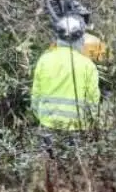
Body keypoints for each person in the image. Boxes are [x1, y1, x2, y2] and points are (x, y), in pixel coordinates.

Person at [31, 14, 102, 152]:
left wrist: (42, 117)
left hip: (48, 125)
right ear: (80, 38)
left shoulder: (44, 60)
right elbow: (93, 101)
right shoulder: (88, 65)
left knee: (48, 163)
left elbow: (35, 96)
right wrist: (91, 124)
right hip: (76, 128)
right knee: (73, 163)